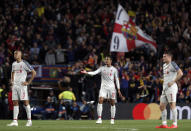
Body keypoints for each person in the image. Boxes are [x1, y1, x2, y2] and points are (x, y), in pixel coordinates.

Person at [81, 56, 124, 124]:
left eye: (108, 59)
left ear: (111, 61)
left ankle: (112, 119)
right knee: (100, 100)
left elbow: (117, 80)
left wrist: (118, 89)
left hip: (111, 88)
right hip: (103, 87)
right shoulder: (102, 68)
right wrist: (86, 72)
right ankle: (99, 118)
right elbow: (94, 73)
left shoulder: (114, 69)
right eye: (105, 59)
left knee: (112, 102)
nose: (106, 61)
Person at [7, 50, 36, 127]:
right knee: (15, 103)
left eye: (16, 53)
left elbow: (34, 72)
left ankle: (29, 121)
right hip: (15, 86)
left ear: (20, 55)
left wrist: (28, 82)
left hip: (22, 86)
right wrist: (12, 82)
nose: (15, 54)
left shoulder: (24, 63)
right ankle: (15, 121)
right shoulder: (13, 64)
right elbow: (12, 73)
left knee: (25, 103)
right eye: (14, 53)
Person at [156, 51, 183, 129]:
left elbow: (180, 73)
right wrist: (163, 80)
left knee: (172, 105)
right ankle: (164, 124)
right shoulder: (164, 65)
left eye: (164, 56)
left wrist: (172, 81)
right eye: (163, 56)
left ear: (169, 57)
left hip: (171, 88)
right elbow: (167, 76)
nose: (163, 58)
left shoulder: (173, 64)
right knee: (161, 106)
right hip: (165, 88)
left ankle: (175, 124)